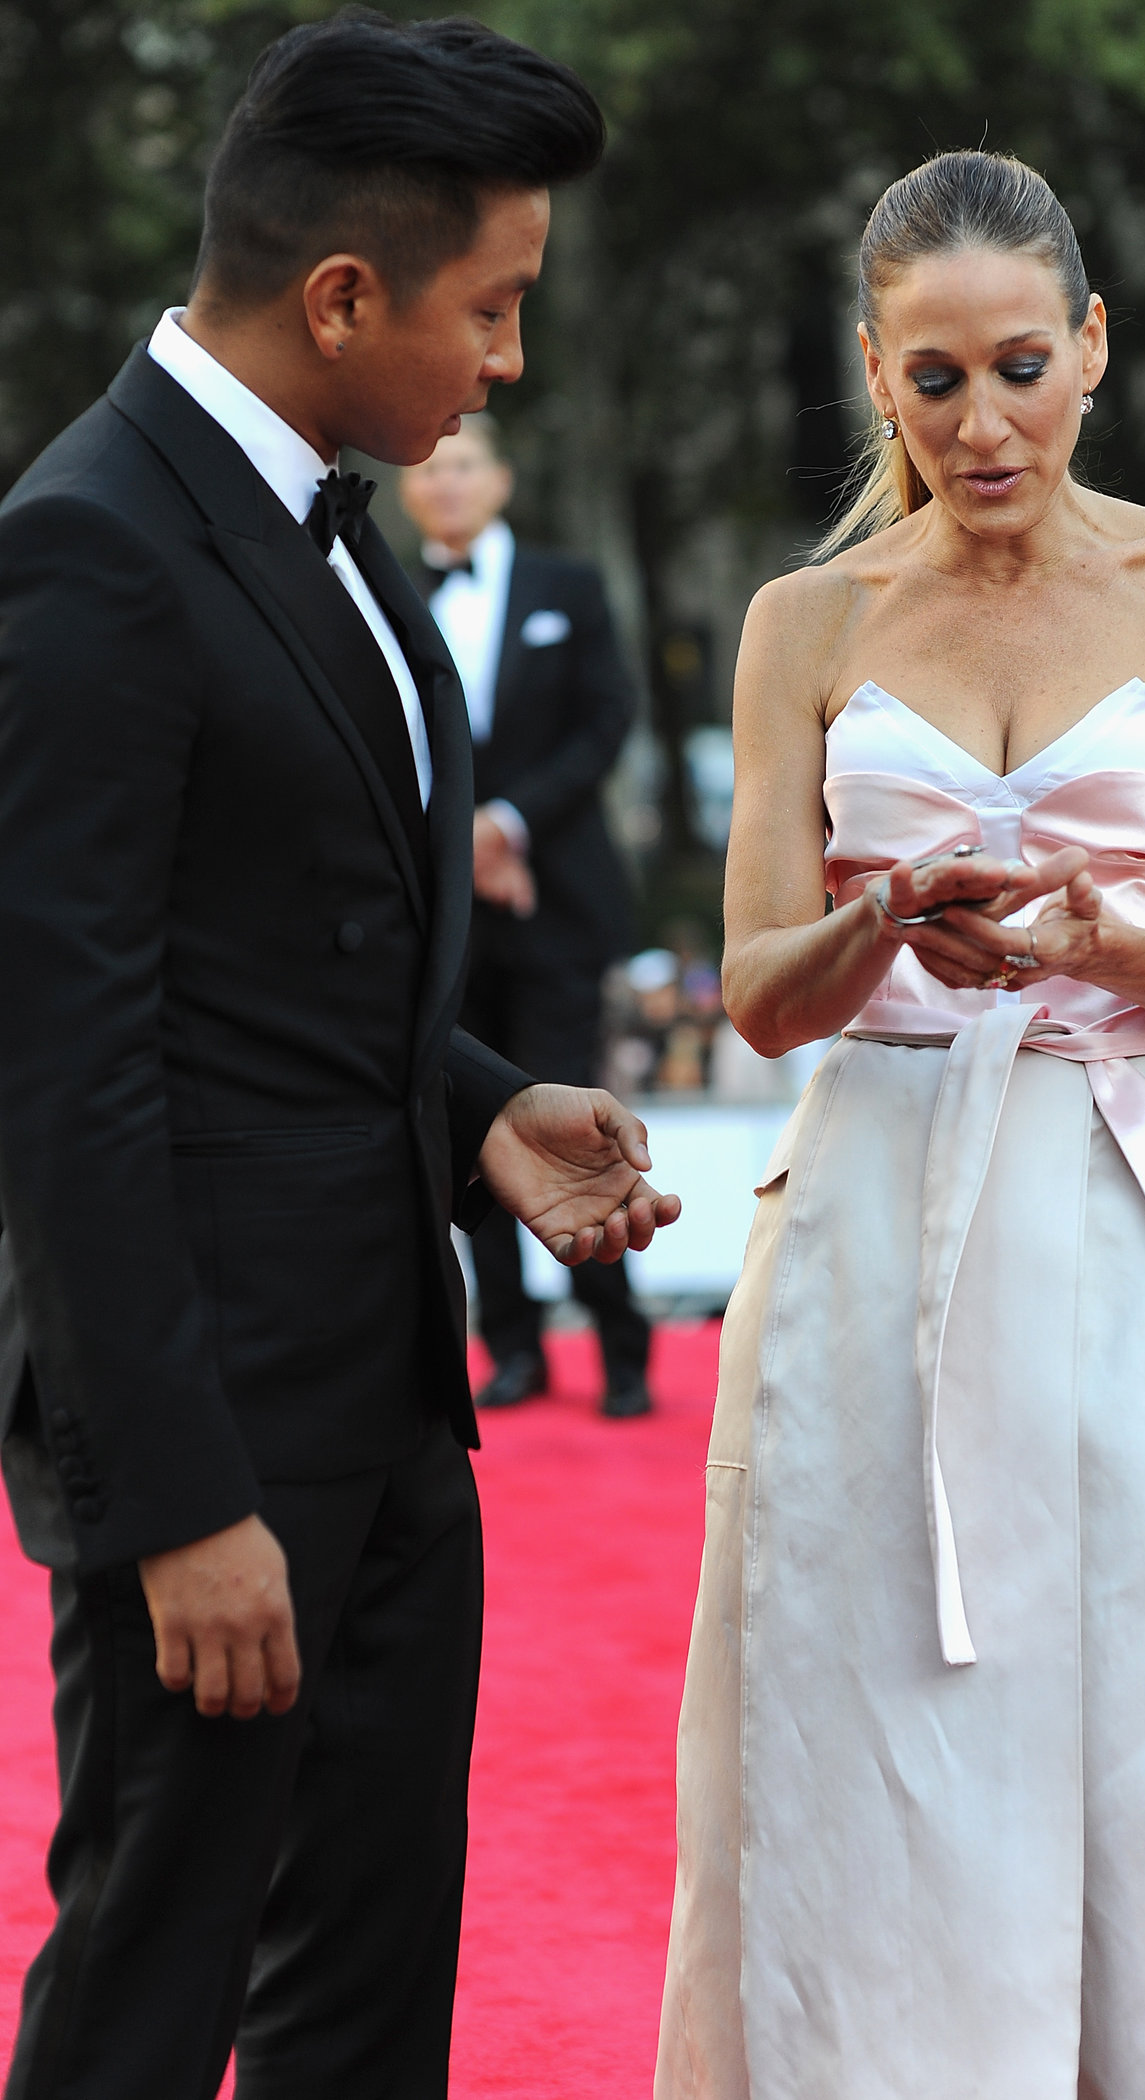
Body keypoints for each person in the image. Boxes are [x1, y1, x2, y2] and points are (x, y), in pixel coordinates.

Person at [656, 151, 1145, 2099]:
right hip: (870, 1211)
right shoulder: (800, 618)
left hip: (1143, 1204)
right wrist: (872, 922)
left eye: (1016, 365)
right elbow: (756, 988)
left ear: (1088, 346)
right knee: (882, 1731)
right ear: (872, 372)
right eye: (929, 381)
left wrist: (1112, 940)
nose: (978, 422)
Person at [0, 17, 679, 2099]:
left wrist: (481, 1112)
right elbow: (62, 1060)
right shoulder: (91, 546)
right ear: (340, 296)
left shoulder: (328, 509)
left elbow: (288, 946)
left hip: (389, 1401)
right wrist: (181, 1502)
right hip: (215, 1441)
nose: (503, 365)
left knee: (366, 1991)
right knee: (153, 1978)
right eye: (491, 310)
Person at [400, 421, 652, 1416]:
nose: (448, 483)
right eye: (429, 467)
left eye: (464, 464)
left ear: (499, 478)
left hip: (553, 901)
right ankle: (509, 1347)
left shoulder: (567, 588)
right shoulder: (377, 592)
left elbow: (606, 720)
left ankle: (620, 1346)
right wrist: (454, 849)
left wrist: (505, 826)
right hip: (442, 911)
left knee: (575, 1113)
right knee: (469, 1120)